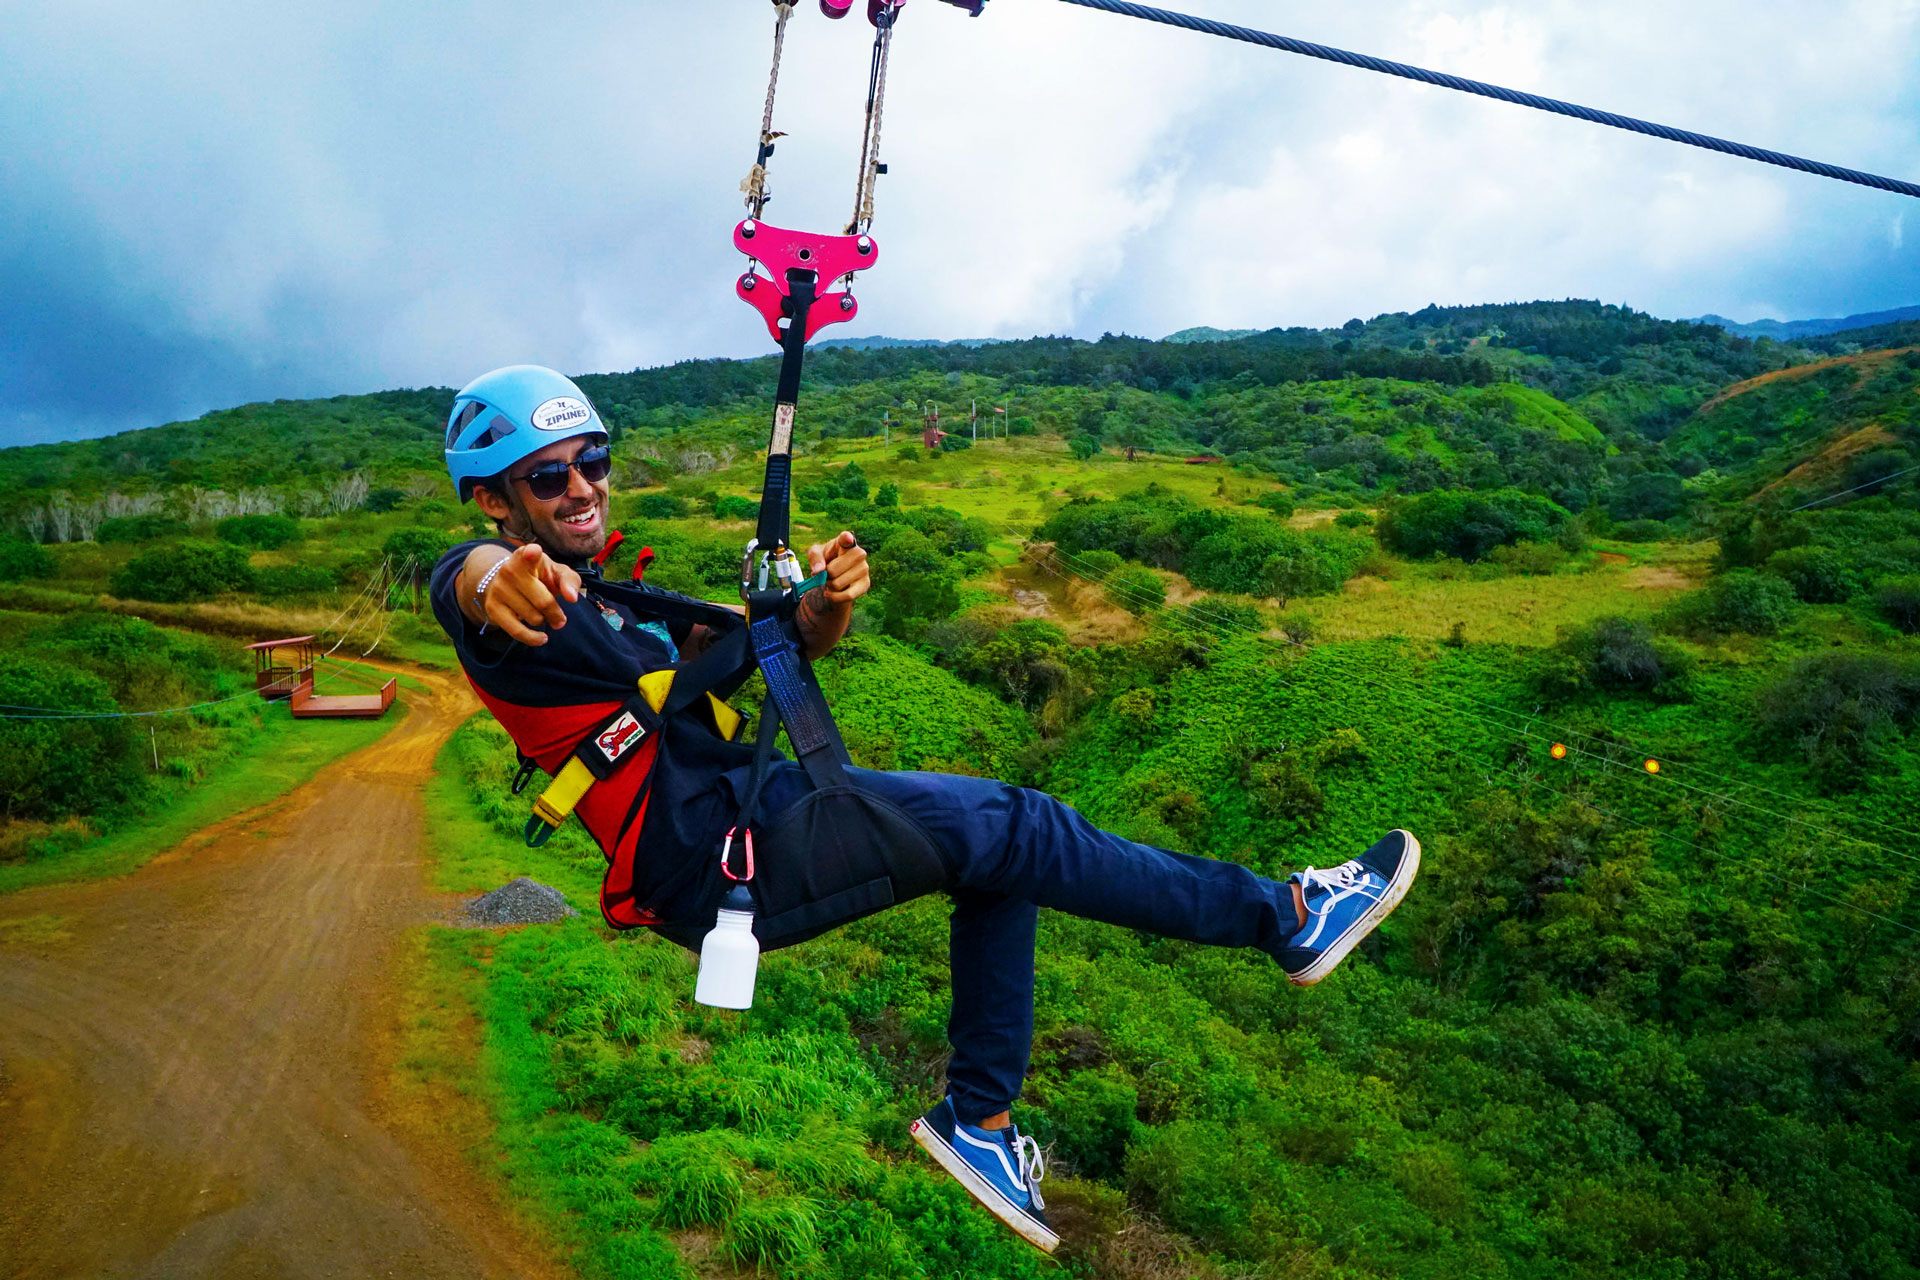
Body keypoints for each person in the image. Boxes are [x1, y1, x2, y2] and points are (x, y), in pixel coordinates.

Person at [430, 365, 1421, 1255]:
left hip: (746, 816)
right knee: (1019, 824)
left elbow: (778, 642)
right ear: (491, 498)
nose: (582, 487)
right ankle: (1285, 915)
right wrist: (492, 570)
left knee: (1004, 859)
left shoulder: (614, 601)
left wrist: (830, 598)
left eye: (592, 461)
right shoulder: (511, 604)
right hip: (712, 856)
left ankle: (979, 1122)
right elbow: (466, 584)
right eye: (548, 474)